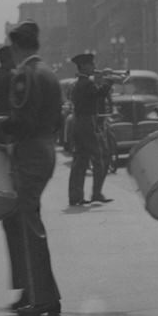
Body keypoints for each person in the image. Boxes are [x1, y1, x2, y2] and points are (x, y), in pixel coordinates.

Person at [0, 21, 63, 316]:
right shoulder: (48, 73)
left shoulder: (24, 75)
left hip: (30, 150)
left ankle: (42, 297)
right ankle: (31, 290)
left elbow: (22, 122)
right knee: (18, 219)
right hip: (43, 147)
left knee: (26, 222)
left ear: (17, 47)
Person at [66, 52, 113, 207]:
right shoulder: (85, 83)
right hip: (87, 122)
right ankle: (96, 193)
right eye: (91, 64)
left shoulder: (79, 83)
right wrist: (109, 82)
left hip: (80, 123)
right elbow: (99, 94)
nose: (94, 67)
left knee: (80, 160)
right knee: (100, 157)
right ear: (84, 66)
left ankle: (76, 196)